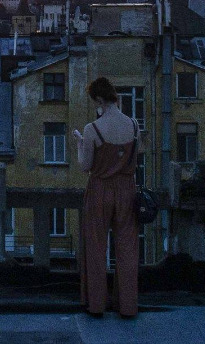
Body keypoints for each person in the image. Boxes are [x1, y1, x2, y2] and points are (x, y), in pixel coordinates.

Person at [74, 76, 138, 319]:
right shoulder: (133, 125)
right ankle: (127, 305)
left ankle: (97, 304)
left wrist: (81, 144)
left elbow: (84, 166)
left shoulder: (93, 129)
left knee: (96, 246)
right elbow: (133, 158)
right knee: (127, 248)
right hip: (126, 189)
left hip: (100, 189)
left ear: (99, 100)